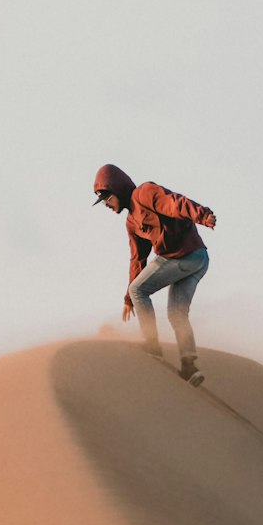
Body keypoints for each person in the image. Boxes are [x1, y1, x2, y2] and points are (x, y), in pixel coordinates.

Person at [93, 163, 217, 385]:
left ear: (117, 190)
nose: (107, 205)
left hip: (184, 255)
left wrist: (202, 215)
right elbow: (137, 260)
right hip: (196, 260)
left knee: (139, 289)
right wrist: (129, 299)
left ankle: (152, 345)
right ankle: (190, 366)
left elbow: (175, 203)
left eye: (107, 199)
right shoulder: (131, 223)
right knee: (177, 313)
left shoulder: (145, 193)